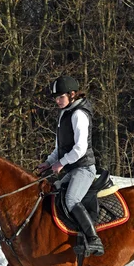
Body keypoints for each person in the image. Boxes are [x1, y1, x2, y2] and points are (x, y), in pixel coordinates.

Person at [36, 75, 104, 256]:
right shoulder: (64, 114)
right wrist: (49, 162)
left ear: (72, 94)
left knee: (71, 200)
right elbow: (59, 148)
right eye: (55, 98)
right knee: (54, 191)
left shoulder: (78, 114)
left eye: (60, 97)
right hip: (72, 169)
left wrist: (60, 163)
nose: (57, 101)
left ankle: (93, 239)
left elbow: (80, 148)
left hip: (84, 168)